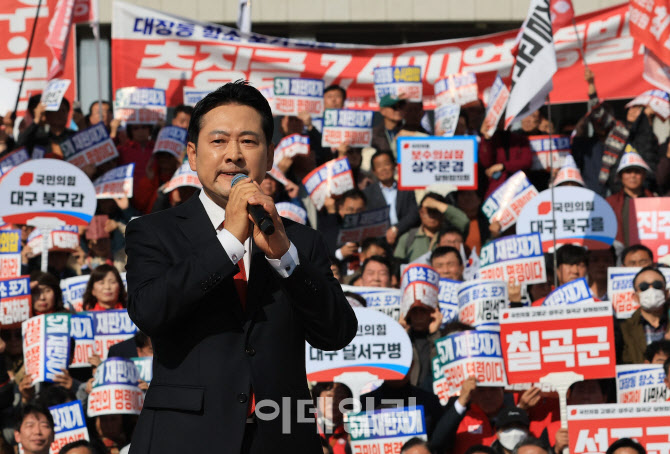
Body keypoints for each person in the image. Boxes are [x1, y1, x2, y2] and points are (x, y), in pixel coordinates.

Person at [124, 81, 357, 453]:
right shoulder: (153, 231)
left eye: (248, 141)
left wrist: (285, 259)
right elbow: (149, 311)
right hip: (184, 438)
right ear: (192, 153)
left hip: (282, 438)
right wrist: (229, 242)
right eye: (218, 141)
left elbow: (337, 333)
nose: (233, 154)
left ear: (270, 155)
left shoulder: (300, 240)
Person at [363, 150, 420, 247]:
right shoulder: (368, 193)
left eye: (386, 164)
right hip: (379, 241)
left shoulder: (406, 188)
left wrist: (396, 229)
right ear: (374, 171)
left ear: (394, 166)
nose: (383, 169)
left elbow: (413, 214)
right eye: (379, 166)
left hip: (405, 236)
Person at [394, 193, 469, 263]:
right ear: (421, 213)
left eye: (436, 211)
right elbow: (397, 264)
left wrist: (437, 204)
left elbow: (464, 222)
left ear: (442, 214)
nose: (432, 216)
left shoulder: (450, 236)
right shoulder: (407, 238)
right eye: (429, 211)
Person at [620, 266, 670, 364]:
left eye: (657, 285)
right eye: (644, 287)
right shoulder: (624, 328)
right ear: (635, 297)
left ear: (666, 292)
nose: (651, 290)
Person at [606, 147, 655, 247]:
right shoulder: (610, 203)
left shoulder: (656, 202)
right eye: (628, 171)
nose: (633, 176)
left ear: (644, 175)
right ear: (620, 176)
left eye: (637, 172)